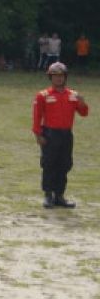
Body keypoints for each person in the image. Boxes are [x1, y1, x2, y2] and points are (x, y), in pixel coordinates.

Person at [33, 62, 89, 209]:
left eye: (61, 76)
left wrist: (82, 103)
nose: (58, 79)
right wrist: (38, 135)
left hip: (66, 134)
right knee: (49, 164)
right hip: (50, 133)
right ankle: (48, 195)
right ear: (50, 77)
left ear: (65, 77)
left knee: (64, 164)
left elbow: (83, 113)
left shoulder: (73, 95)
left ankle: (59, 195)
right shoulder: (43, 95)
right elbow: (37, 116)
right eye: (55, 76)